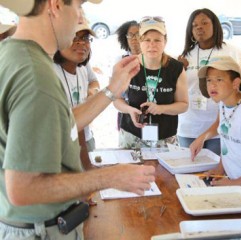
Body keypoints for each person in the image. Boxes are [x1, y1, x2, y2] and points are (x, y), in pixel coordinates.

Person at [0, 0, 155, 239]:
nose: (80, 17)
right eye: (79, 7)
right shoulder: (36, 76)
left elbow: (61, 125)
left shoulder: (13, 53)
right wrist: (110, 177)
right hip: (41, 231)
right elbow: (23, 188)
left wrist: (112, 89)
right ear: (55, 5)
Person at [191, 56, 241, 202]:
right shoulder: (224, 103)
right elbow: (224, 132)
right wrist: (220, 168)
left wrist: (236, 183)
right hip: (234, 188)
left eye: (219, 80)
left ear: (235, 83)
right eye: (209, 80)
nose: (212, 85)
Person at [113, 16, 188, 149]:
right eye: (147, 40)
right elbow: (116, 100)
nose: (152, 45)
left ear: (165, 41)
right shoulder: (128, 65)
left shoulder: (176, 68)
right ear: (140, 42)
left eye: (157, 40)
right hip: (132, 135)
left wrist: (161, 109)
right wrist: (130, 110)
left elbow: (183, 105)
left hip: (165, 137)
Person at [177, 8, 241, 156]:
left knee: (215, 176)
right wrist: (179, 70)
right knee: (190, 175)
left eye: (204, 23)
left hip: (220, 126)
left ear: (215, 25)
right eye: (194, 25)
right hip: (189, 126)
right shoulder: (185, 56)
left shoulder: (231, 52)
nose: (199, 27)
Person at [53, 20, 99, 152]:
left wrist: (92, 91)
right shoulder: (48, 73)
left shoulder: (82, 66)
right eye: (74, 37)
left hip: (85, 138)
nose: (81, 42)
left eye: (85, 38)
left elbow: (94, 82)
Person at [115, 20, 141, 131]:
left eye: (138, 34)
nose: (134, 38)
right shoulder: (120, 61)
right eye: (130, 35)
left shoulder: (154, 59)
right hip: (127, 115)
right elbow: (115, 95)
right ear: (125, 38)